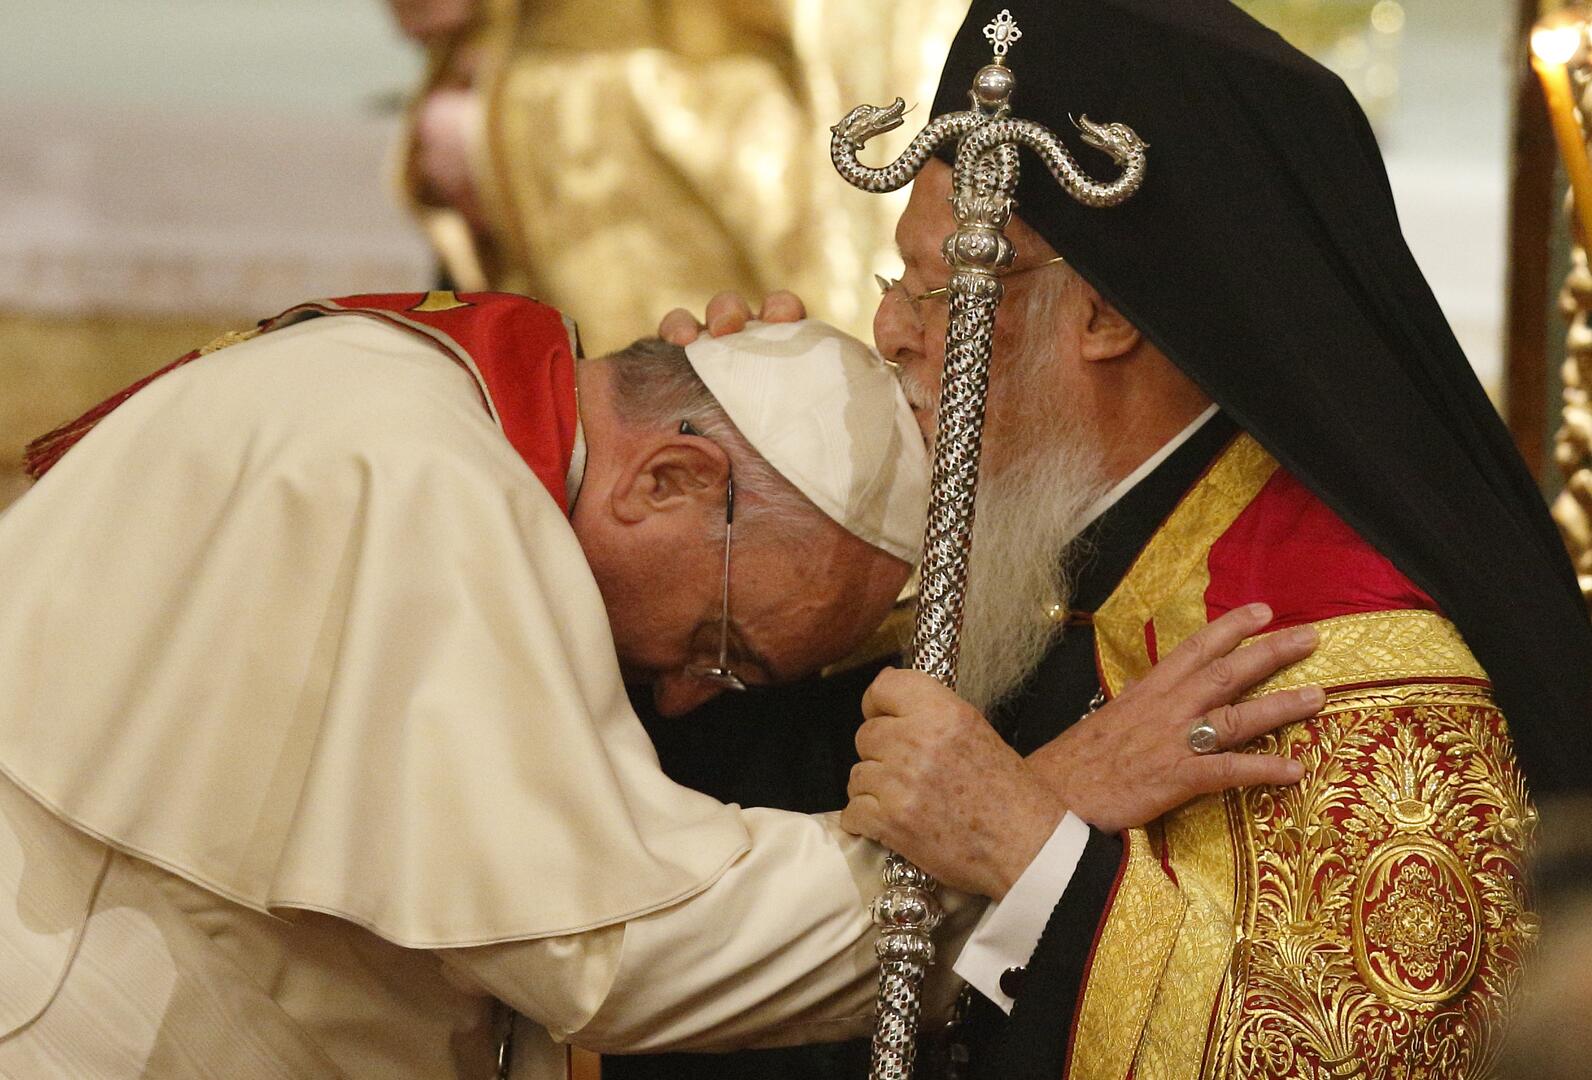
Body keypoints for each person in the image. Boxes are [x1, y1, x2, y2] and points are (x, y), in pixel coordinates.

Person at [0, 289, 1319, 1079]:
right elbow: (618, 948)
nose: (687, 699)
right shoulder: (422, 485)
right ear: (672, 480)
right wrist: (1021, 814)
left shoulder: (420, 395)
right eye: (722, 650)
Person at [662, 1, 1592, 1075]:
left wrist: (1030, 850)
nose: (890, 328)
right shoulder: (1022, 547)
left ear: (1105, 317)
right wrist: (705, 533)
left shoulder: (1324, 645)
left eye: (944, 288)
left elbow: (1378, 1053)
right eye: (895, 281)